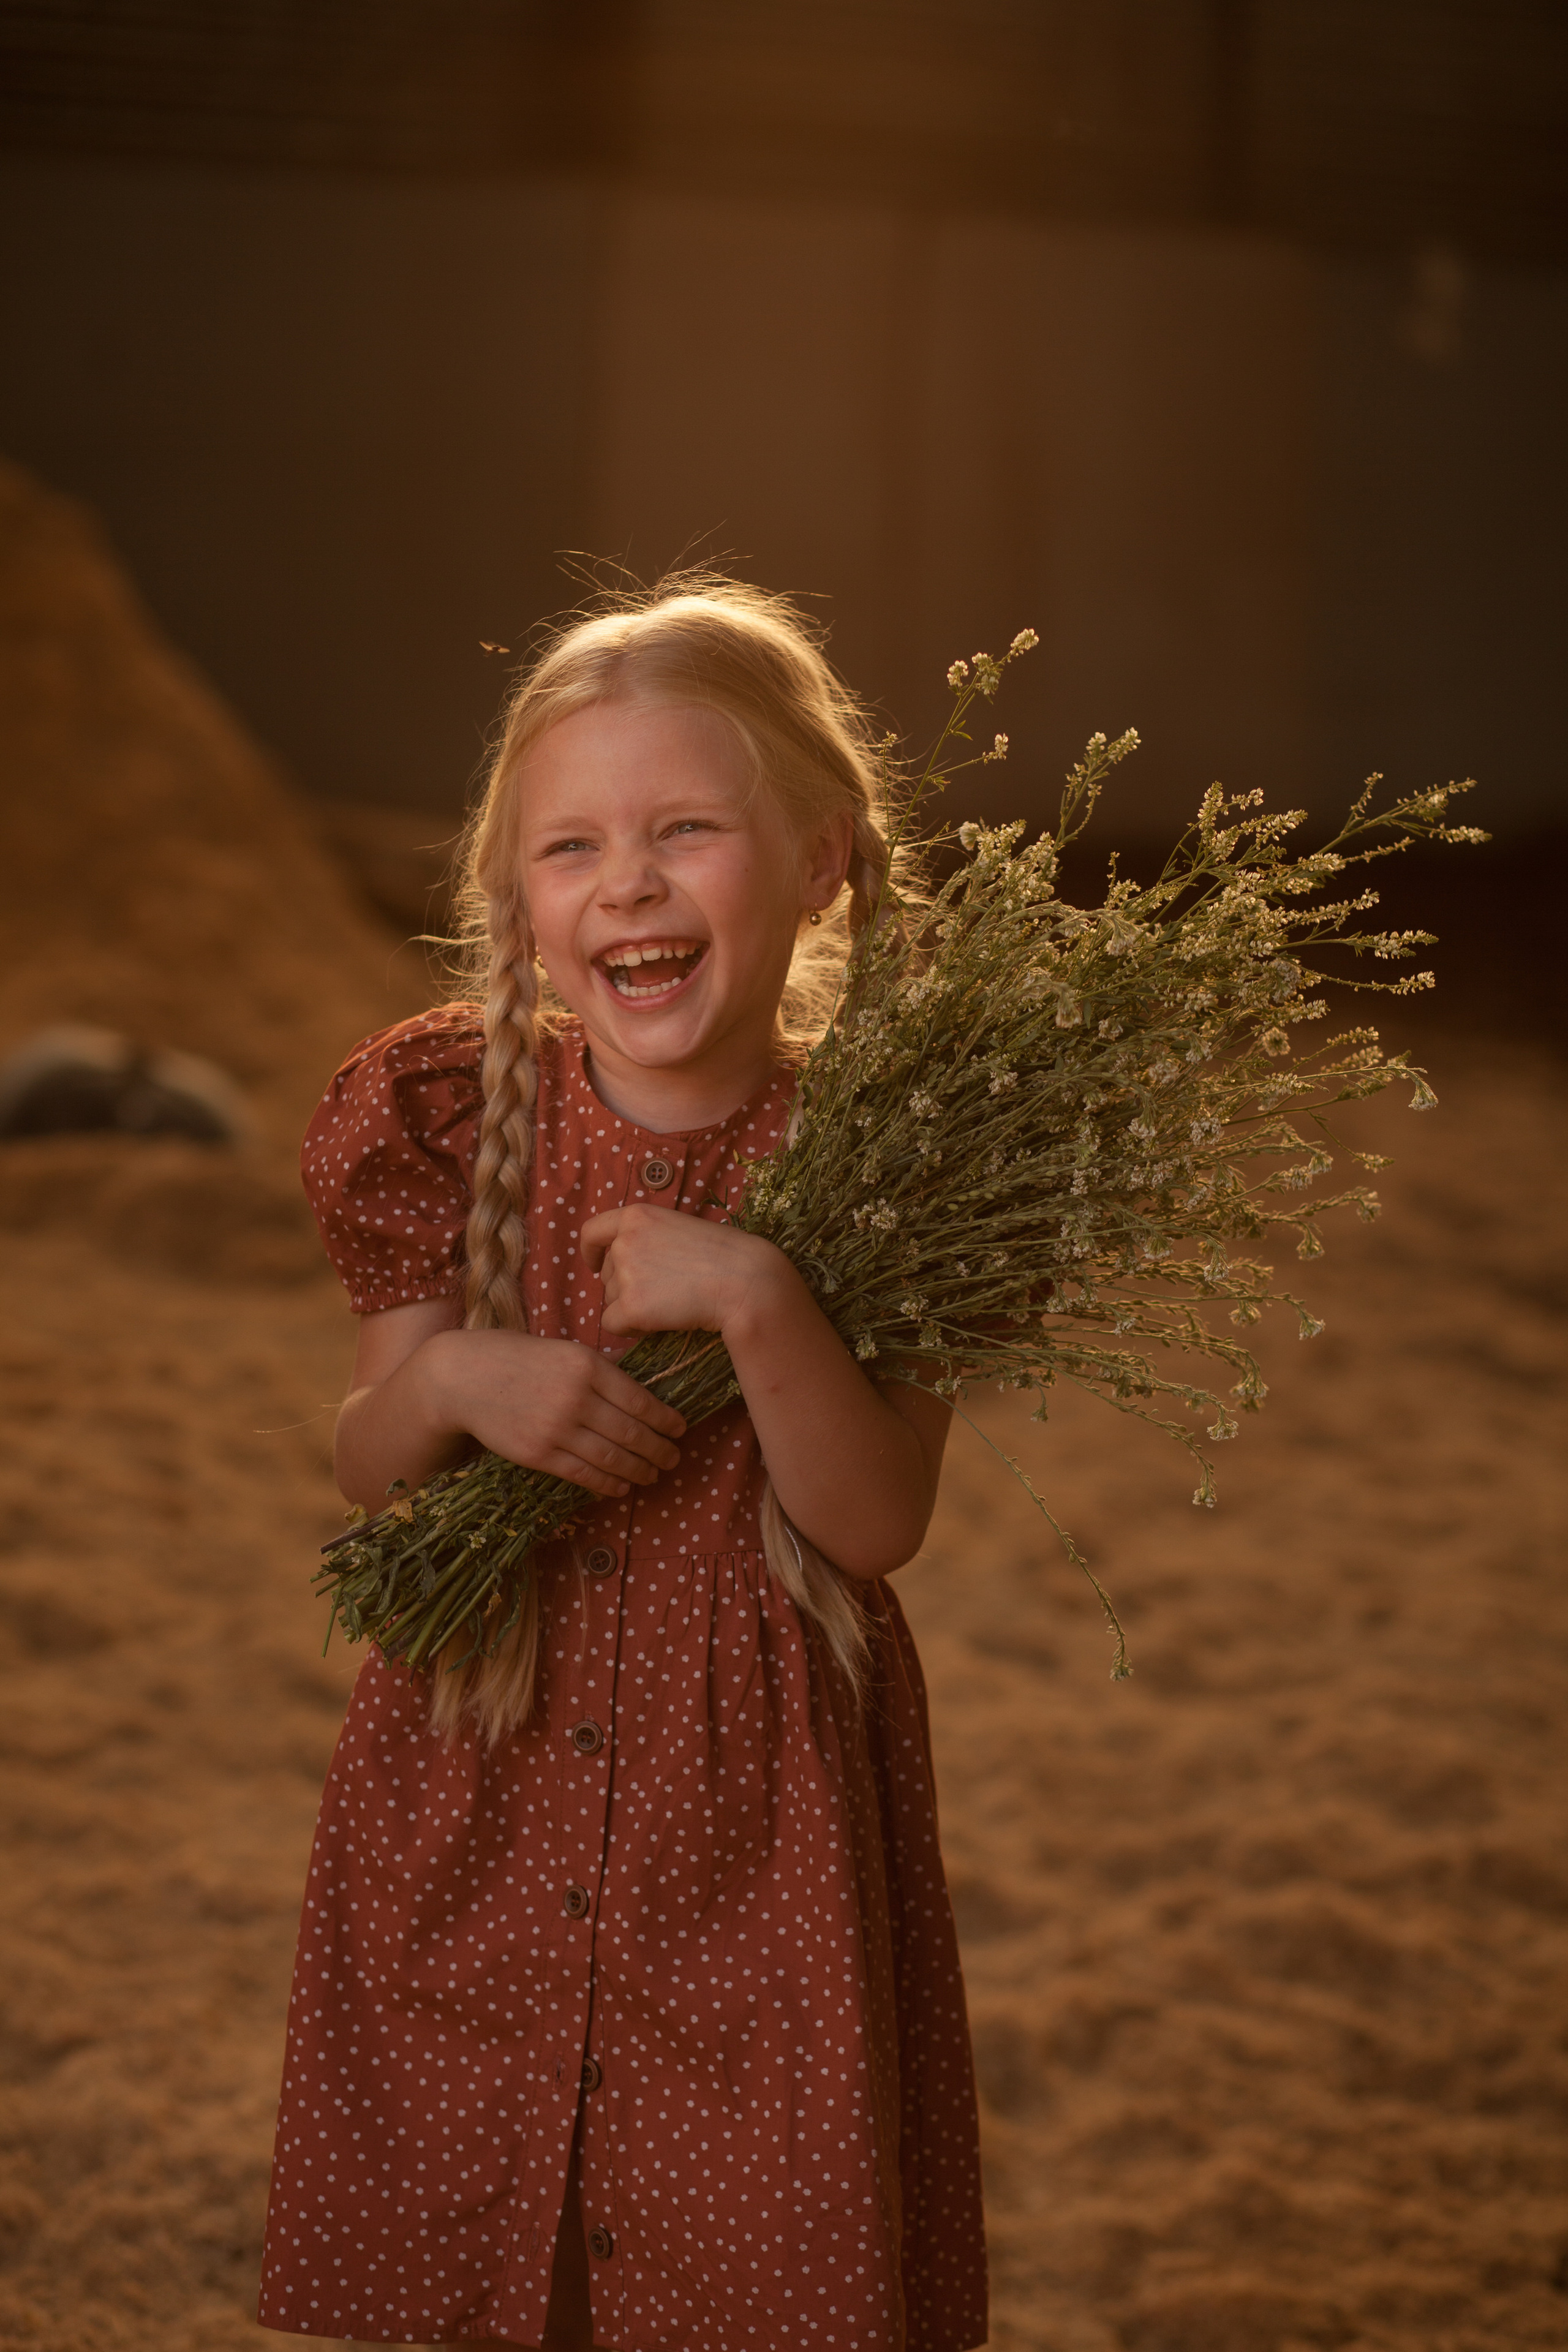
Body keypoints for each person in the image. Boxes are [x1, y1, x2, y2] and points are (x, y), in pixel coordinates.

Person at [257, 579, 987, 2352]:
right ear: (518, 897)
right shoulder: (444, 1119)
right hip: (479, 1766)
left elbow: (875, 1521)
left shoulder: (893, 1160)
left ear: (820, 863)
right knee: (482, 2242)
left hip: (750, 1823)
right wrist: (461, 1383)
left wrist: (756, 1296)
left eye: (686, 832)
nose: (629, 885)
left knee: (738, 2260)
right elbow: (369, 1459)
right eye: (572, 846)